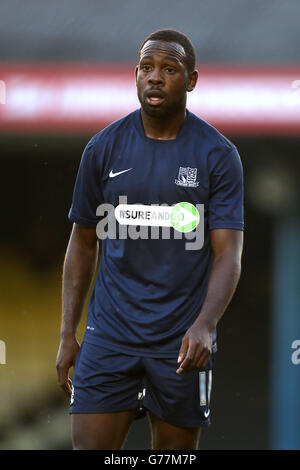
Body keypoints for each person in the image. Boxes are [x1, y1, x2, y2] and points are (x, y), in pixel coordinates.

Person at [56, 28, 244, 450]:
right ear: (135, 75)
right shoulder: (102, 149)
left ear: (191, 80)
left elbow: (227, 254)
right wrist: (69, 333)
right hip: (109, 337)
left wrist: (205, 325)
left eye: (169, 69)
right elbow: (83, 244)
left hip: (180, 343)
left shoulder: (218, 154)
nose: (155, 77)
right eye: (146, 68)